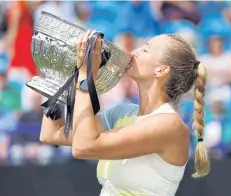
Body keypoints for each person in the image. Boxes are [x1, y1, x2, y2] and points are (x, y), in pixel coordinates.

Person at [39, 30, 210, 196]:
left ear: (162, 70)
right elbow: (52, 134)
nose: (135, 51)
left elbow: (84, 147)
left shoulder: (169, 125)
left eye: (145, 49)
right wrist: (66, 72)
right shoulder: (122, 113)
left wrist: (86, 74)